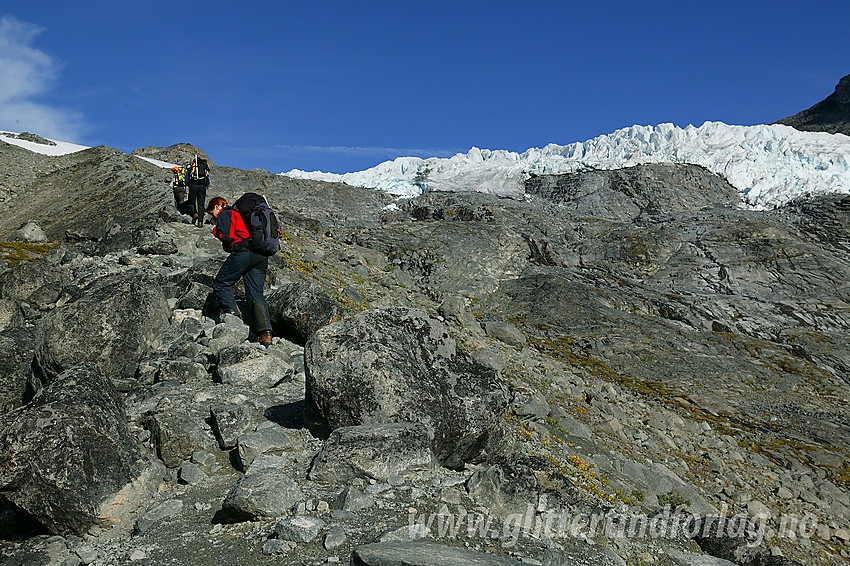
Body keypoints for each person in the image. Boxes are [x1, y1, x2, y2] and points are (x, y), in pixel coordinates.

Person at [207, 196, 273, 346]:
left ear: (217, 206)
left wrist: (216, 231)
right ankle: (265, 333)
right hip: (261, 254)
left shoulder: (225, 213)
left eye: (212, 212)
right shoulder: (241, 215)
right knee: (255, 293)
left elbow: (227, 236)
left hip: (244, 252)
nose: (214, 215)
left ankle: (234, 321)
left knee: (220, 284)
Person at [187, 157, 210, 227]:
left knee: (191, 202)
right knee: (201, 204)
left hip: (193, 185)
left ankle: (194, 214)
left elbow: (187, 178)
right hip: (202, 186)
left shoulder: (192, 168)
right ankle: (200, 222)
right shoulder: (204, 169)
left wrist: (188, 184)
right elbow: (207, 179)